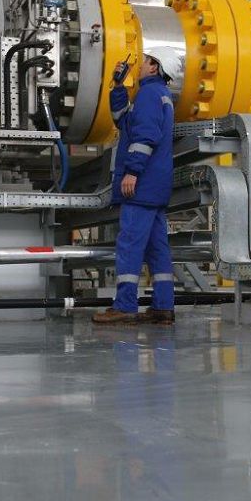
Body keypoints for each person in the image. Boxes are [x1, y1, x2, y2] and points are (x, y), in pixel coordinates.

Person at [93, 47, 181, 326]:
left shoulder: (149, 95)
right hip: (156, 185)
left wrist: (132, 172)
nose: (140, 65)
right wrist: (118, 86)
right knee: (157, 248)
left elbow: (144, 136)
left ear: (155, 67)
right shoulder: (160, 95)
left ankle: (125, 306)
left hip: (142, 185)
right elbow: (124, 121)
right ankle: (163, 307)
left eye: (145, 61)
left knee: (130, 244)